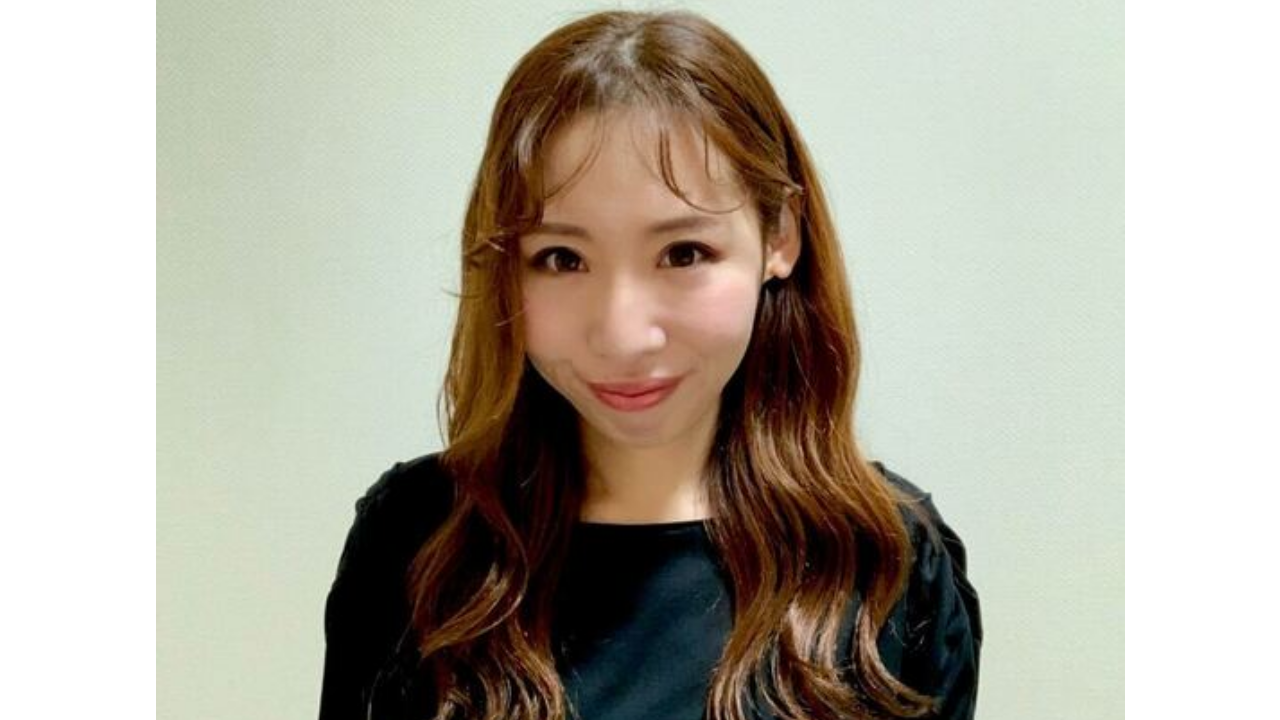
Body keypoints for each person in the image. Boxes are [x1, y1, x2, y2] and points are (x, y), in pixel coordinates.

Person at [319, 9, 981, 720]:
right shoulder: (417, 540)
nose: (623, 336)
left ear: (779, 236)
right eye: (562, 258)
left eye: (683, 253)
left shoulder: (889, 561)